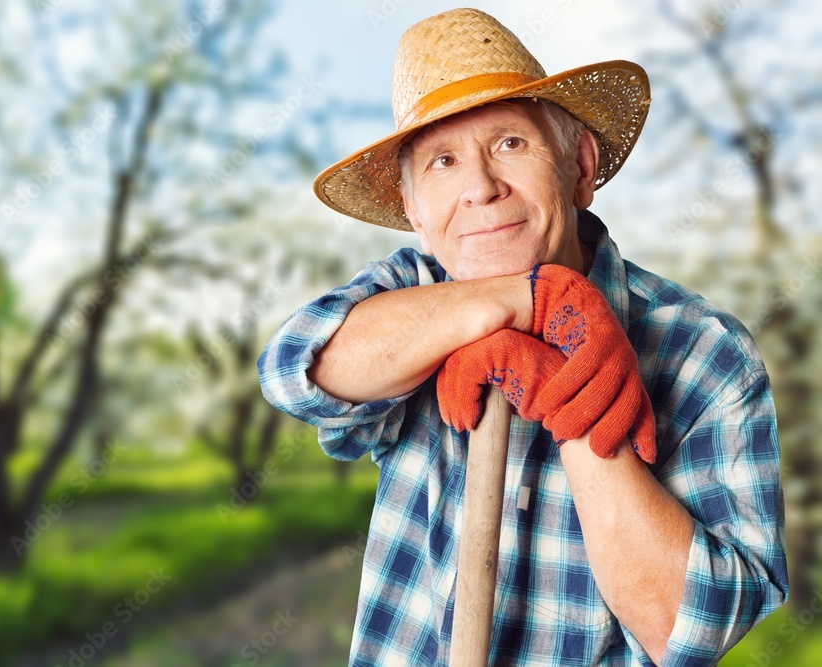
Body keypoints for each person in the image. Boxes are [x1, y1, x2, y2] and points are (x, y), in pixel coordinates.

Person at [257, 8, 788, 666]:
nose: (480, 187)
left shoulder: (705, 353)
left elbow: (686, 628)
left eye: (510, 143)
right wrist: (530, 299)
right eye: (444, 161)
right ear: (417, 216)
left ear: (580, 167)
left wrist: (570, 401)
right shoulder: (410, 290)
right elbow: (292, 371)